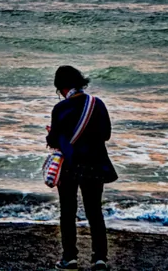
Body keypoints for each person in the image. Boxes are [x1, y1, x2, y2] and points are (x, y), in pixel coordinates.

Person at [48, 65, 116, 271]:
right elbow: (106, 134)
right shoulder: (97, 104)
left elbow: (53, 141)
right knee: (94, 211)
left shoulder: (60, 109)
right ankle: (99, 259)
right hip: (95, 165)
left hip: (69, 166)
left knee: (68, 211)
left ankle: (70, 258)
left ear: (61, 87)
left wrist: (52, 134)